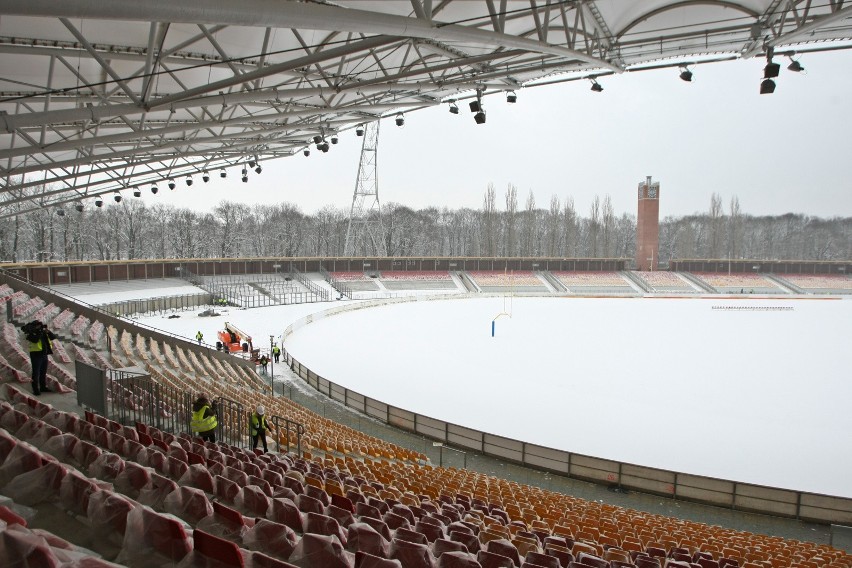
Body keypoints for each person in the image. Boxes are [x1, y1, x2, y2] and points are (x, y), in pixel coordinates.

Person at [24, 320, 56, 396]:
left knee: (43, 372)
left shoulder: (43, 332)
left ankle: (43, 387)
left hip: (44, 354)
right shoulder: (30, 333)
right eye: (38, 325)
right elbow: (35, 340)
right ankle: (35, 389)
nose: (40, 327)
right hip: (36, 355)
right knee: (36, 373)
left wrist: (48, 331)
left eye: (40, 325)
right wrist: (39, 332)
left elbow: (53, 337)